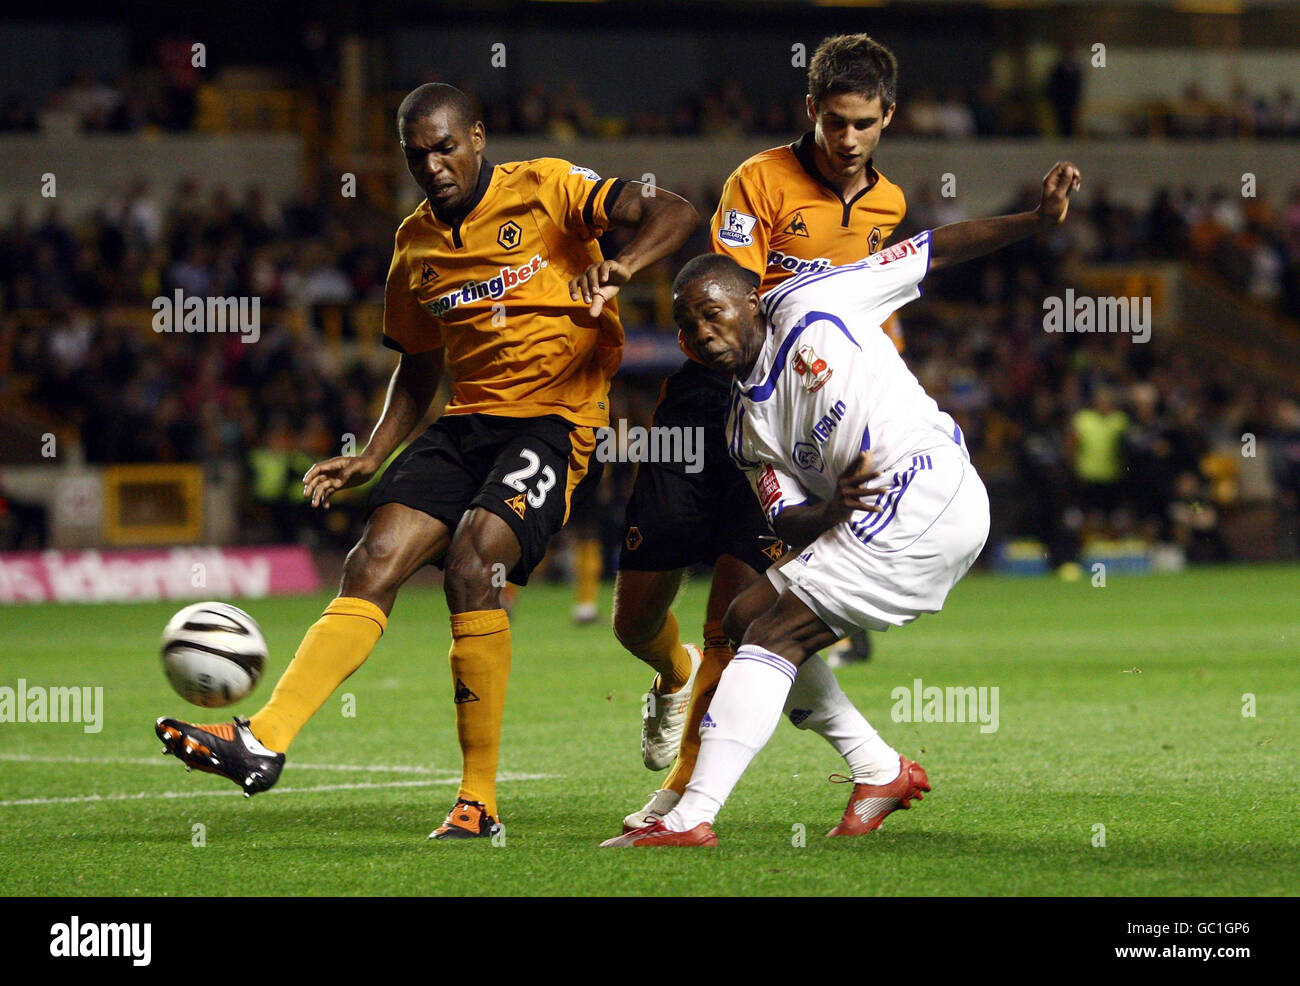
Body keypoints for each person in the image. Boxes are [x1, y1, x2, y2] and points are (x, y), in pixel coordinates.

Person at [155, 83, 699, 840]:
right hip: (467, 420)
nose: (435, 165)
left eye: (447, 146)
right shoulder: (413, 247)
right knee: (372, 556)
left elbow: (675, 210)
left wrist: (624, 266)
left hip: (556, 419)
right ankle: (264, 741)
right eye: (419, 155)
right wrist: (371, 455)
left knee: (476, 561)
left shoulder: (547, 186)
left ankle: (479, 802)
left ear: (477, 136)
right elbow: (417, 368)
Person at [605, 161, 1081, 846]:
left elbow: (934, 249)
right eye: (687, 326)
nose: (702, 332)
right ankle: (879, 769)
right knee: (746, 618)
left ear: (752, 303)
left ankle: (690, 816)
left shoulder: (816, 300)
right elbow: (783, 517)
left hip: (925, 488)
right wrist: (825, 517)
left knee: (775, 635)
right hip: (869, 516)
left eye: (714, 312)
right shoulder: (745, 428)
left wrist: (1034, 223)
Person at [614, 33, 909, 832]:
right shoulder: (759, 180)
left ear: (887, 117)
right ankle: (671, 677)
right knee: (634, 618)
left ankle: (680, 796)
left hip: (793, 423)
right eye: (836, 122)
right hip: (712, 404)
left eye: (865, 125)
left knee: (736, 617)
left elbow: (879, 318)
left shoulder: (888, 207)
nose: (849, 141)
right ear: (811, 109)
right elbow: (731, 296)